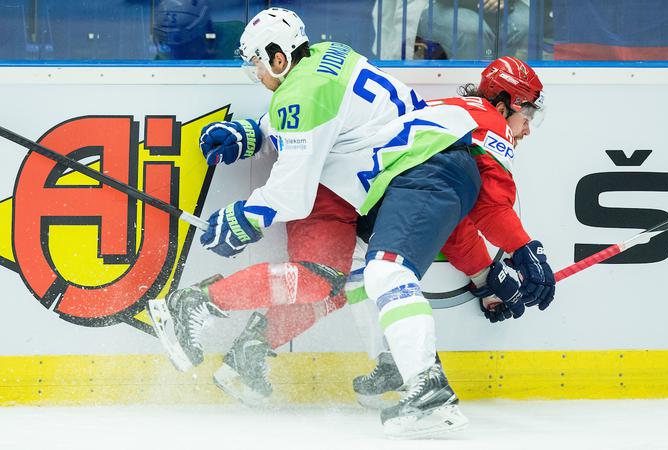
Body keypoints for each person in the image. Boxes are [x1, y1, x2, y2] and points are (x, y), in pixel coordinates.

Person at [148, 6, 484, 438]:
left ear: (278, 57)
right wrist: (253, 134)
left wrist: (243, 216)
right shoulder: (329, 54)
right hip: (375, 183)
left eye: (256, 65)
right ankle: (223, 322)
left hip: (387, 177)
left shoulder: (303, 94)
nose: (257, 76)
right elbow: (313, 120)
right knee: (334, 282)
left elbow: (294, 182)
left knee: (360, 280)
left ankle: (233, 335)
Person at [353, 56, 556, 405]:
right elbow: (480, 204)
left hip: (381, 190)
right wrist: (525, 251)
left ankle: (411, 372)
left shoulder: (448, 111)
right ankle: (414, 373)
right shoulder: (491, 120)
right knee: (377, 275)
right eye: (529, 115)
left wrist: (485, 274)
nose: (527, 129)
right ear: (506, 103)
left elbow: (444, 207)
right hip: (413, 183)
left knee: (374, 277)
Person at [152, 0, 244, 60]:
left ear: (206, 31)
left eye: (185, 46)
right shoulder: (163, 58)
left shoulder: (239, 36)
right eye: (170, 47)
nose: (177, 54)